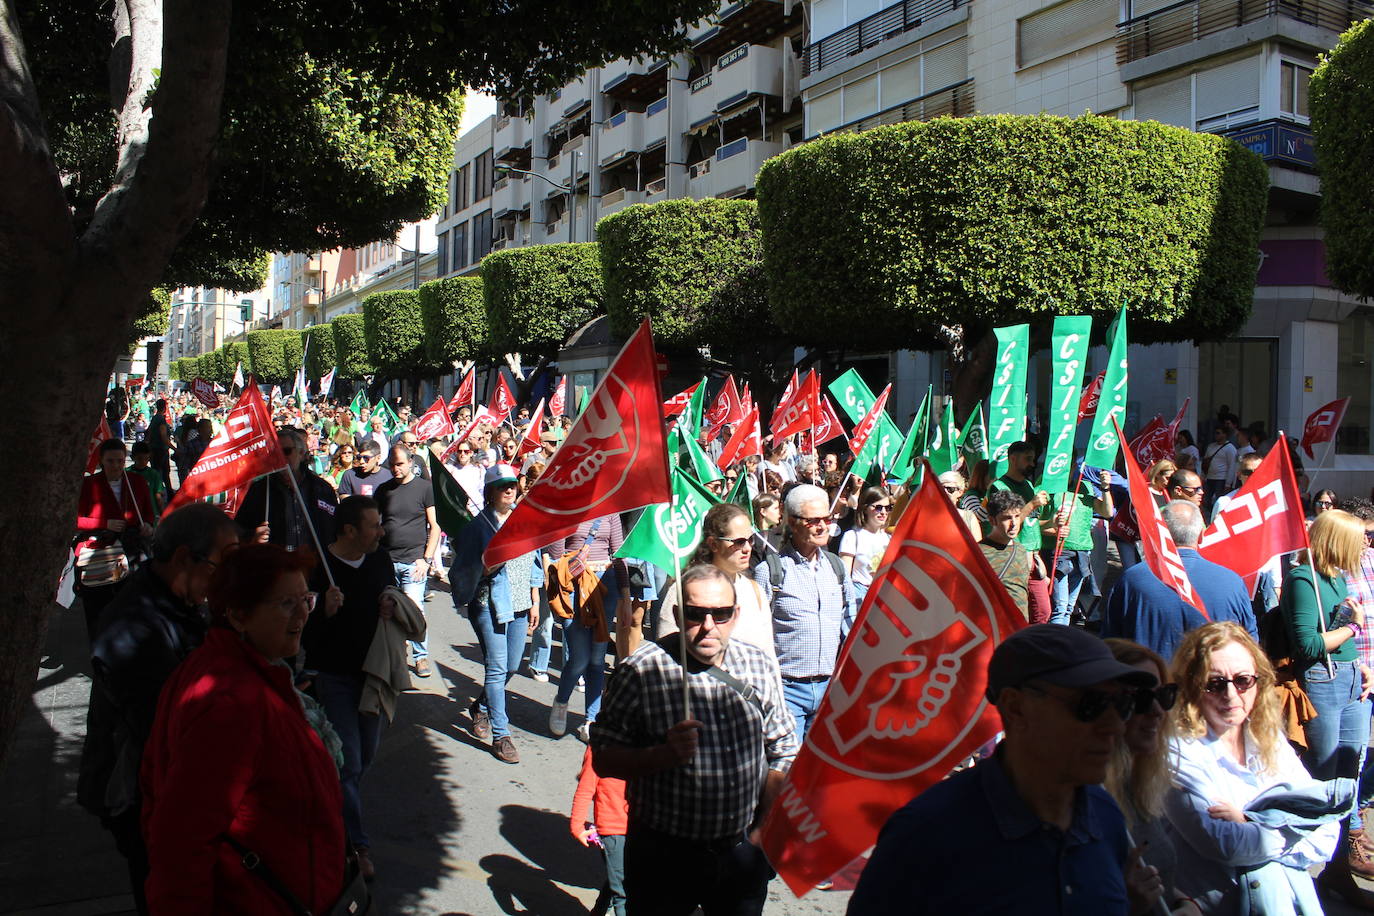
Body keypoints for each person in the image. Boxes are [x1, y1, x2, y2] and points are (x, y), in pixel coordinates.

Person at [849, 624, 1158, 914]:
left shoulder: (1106, 817)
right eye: (1090, 704)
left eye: (1123, 704)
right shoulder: (925, 835)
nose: (1115, 725)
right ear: (1015, 707)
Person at [140, 544, 347, 915]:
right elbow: (181, 839)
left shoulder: (260, 674)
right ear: (238, 615)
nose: (302, 613)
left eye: (306, 599)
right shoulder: (230, 703)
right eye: (285, 603)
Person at [591, 564, 797, 916]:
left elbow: (785, 748)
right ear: (676, 613)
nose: (708, 626)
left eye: (720, 614)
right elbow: (604, 757)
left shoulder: (757, 665)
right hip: (663, 856)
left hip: (738, 852)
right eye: (696, 614)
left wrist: (762, 830)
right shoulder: (641, 670)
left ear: (735, 615)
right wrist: (661, 755)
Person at [77, 504, 239, 915]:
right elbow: (166, 726)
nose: (226, 579)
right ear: (185, 558)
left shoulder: (180, 601)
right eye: (222, 564)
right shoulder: (131, 623)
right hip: (145, 797)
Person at [1164, 622, 1342, 913]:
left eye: (1243, 680)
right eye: (1215, 684)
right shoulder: (1177, 750)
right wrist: (1291, 824)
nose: (1231, 695)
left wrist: (1251, 822)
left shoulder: (1268, 738)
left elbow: (1327, 829)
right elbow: (1225, 844)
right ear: (1191, 686)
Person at [1277, 509, 1374, 894]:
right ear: (1338, 541)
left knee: (1348, 770)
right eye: (1359, 538)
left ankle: (1337, 868)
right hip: (1322, 681)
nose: (1366, 544)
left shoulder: (1333, 577)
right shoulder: (1304, 579)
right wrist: (1353, 625)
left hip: (1350, 678)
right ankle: (1295, 861)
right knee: (1323, 774)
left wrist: (1361, 667)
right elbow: (1309, 645)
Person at [303, 495, 397, 881]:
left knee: (365, 756)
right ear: (348, 531)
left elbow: (390, 589)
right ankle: (356, 845)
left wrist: (392, 600)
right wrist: (319, 612)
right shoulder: (315, 568)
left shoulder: (379, 558)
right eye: (373, 526)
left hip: (373, 676)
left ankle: (334, 810)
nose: (381, 531)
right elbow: (297, 632)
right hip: (334, 677)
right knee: (349, 762)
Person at [450, 464, 541, 764]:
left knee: (513, 666)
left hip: (519, 604)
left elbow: (535, 561)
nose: (509, 490)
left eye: (512, 484)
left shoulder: (523, 520)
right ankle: (501, 735)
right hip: (489, 605)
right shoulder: (478, 527)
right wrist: (487, 566)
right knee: (497, 667)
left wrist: (535, 599)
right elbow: (463, 570)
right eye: (502, 486)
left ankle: (482, 708)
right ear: (489, 492)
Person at [1101, 640, 1198, 916]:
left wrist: (1184, 902)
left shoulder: (1140, 783)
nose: (1157, 711)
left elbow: (1158, 876)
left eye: (1164, 695)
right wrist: (1128, 907)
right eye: (1141, 700)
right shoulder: (1089, 804)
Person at [752, 483, 854, 736]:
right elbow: (756, 636)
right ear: (792, 523)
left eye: (826, 519)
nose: (822, 526)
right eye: (813, 521)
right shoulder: (770, 572)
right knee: (788, 769)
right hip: (787, 690)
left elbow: (852, 622)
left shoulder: (837, 568)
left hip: (830, 690)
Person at [1102, 500, 1256, 661]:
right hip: (1211, 682)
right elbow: (1250, 642)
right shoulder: (1232, 582)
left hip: (1148, 682)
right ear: (1201, 536)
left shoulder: (1131, 580)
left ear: (1160, 533)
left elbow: (1111, 644)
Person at [545, 513, 630, 741]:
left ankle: (591, 718)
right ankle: (562, 701)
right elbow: (555, 553)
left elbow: (619, 552)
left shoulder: (611, 513)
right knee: (579, 658)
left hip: (605, 585)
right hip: (574, 584)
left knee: (597, 657)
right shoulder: (570, 506)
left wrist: (625, 594)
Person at [660, 503, 778, 663]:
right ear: (713, 544)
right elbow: (667, 655)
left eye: (751, 540)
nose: (747, 548)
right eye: (738, 542)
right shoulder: (684, 591)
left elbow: (768, 655)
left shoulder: (754, 591)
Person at [76, 438, 156, 637]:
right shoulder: (88, 484)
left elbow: (147, 514)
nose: (116, 466)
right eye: (111, 461)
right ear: (102, 461)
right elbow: (75, 520)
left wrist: (147, 526)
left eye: (120, 461)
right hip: (99, 556)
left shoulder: (136, 481)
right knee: (99, 608)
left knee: (132, 604)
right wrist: (104, 523)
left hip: (131, 552)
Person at [375, 444, 439, 677]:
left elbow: (434, 526)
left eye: (400, 464)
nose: (395, 469)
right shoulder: (383, 490)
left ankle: (420, 657)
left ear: (411, 461)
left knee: (414, 610)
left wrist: (427, 559)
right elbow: (376, 524)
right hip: (387, 560)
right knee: (389, 610)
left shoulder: (425, 489)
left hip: (414, 561)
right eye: (391, 464)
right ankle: (397, 654)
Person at [237, 427, 338, 551]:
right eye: (275, 453)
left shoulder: (321, 488)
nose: (280, 458)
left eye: (286, 451)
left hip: (315, 564)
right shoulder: (259, 491)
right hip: (276, 565)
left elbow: (333, 528)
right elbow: (240, 529)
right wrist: (253, 537)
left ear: (301, 454)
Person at [991, 441, 1051, 624]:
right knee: (1015, 612)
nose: (1032, 464)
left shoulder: (1028, 485)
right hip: (1012, 557)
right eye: (1028, 459)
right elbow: (1008, 525)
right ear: (1013, 459)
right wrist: (1032, 503)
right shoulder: (999, 487)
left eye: (1033, 459)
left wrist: (1052, 523)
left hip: (1034, 557)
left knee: (1042, 612)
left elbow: (1031, 522)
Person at [1045, 467, 1113, 626]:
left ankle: (1062, 644)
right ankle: (1056, 647)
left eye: (1068, 466)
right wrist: (1053, 529)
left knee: (1068, 607)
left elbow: (1107, 512)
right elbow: (1034, 524)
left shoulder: (1084, 487)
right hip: (1059, 553)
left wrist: (1105, 488)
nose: (1065, 470)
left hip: (1082, 552)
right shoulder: (1047, 485)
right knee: (1059, 607)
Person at [571, 746, 630, 916]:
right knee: (624, 891)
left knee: (620, 877)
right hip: (613, 827)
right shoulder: (601, 746)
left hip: (640, 826)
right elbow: (585, 788)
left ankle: (599, 911)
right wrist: (577, 826)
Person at [979, 489, 1031, 620]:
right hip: (993, 627)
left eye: (1017, 516)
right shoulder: (978, 553)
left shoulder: (1021, 550)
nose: (1014, 524)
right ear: (992, 520)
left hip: (1019, 627)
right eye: (1007, 518)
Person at [838, 487, 893, 608]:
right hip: (860, 597)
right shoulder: (852, 536)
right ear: (865, 508)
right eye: (878, 507)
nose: (883, 512)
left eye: (888, 508)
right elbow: (845, 576)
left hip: (884, 598)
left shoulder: (890, 539)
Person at [937, 470, 982, 540]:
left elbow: (977, 547)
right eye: (940, 488)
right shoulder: (928, 516)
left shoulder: (969, 517)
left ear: (960, 492)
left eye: (950, 489)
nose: (944, 492)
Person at [1201, 427, 1237, 511]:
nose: (1215, 435)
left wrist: (1228, 483)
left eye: (1218, 433)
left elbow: (1232, 466)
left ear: (1225, 434)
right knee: (1206, 501)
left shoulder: (1230, 448)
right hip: (1209, 478)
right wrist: (1202, 476)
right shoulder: (1211, 446)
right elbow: (1205, 462)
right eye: (1215, 433)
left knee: (1219, 501)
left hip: (1221, 479)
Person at [128, 441, 167, 515]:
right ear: (132, 457)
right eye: (139, 458)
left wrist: (162, 513)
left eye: (146, 458)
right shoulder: (126, 474)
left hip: (152, 514)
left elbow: (159, 496)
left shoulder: (154, 474)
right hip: (133, 513)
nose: (143, 461)